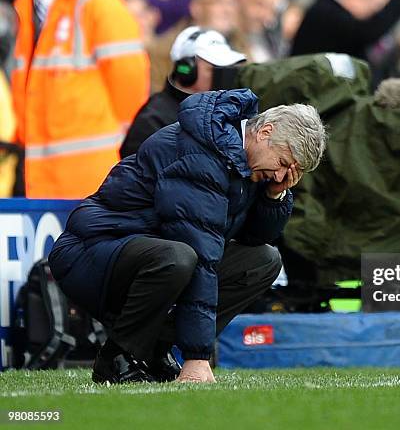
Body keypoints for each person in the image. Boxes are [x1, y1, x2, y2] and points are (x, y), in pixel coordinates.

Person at [48, 88, 327, 384]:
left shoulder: (247, 159)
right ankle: (117, 356)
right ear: (264, 132)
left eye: (293, 173)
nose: (281, 176)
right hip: (92, 252)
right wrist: (197, 357)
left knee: (263, 260)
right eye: (283, 163)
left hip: (149, 255)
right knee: (180, 258)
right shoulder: (201, 154)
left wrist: (274, 197)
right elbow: (202, 252)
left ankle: (155, 349)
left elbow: (253, 240)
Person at [11, 0, 150, 198]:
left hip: (92, 184)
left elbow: (131, 91)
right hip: (35, 182)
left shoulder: (97, 2)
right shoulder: (21, 6)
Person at [120, 26, 246, 158]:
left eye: (228, 69)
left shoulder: (223, 112)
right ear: (186, 70)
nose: (224, 77)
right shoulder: (153, 120)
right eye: (215, 69)